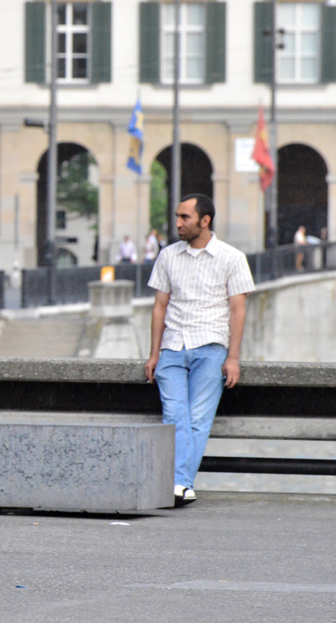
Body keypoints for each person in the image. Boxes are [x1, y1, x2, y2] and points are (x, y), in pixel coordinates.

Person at [144, 194, 255, 507]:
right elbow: (159, 307)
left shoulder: (232, 258)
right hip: (172, 347)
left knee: (197, 420)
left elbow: (238, 311)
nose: (178, 223)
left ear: (204, 221)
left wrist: (233, 358)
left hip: (211, 346)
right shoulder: (168, 256)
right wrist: (154, 354)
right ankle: (181, 484)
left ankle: (179, 484)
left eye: (185, 218)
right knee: (175, 415)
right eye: (178, 217)